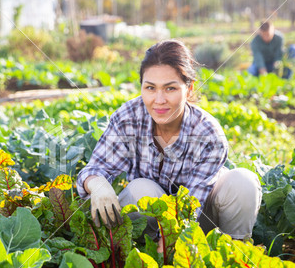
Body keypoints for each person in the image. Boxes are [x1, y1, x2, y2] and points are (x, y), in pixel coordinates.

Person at [77, 40, 262, 242]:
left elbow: (192, 206)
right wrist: (97, 184)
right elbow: (93, 169)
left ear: (189, 89)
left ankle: (232, 255)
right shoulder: (128, 117)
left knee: (243, 182)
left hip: (201, 224)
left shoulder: (208, 133)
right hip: (148, 223)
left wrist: (174, 248)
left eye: (170, 88)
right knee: (141, 189)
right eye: (150, 88)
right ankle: (138, 253)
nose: (159, 100)